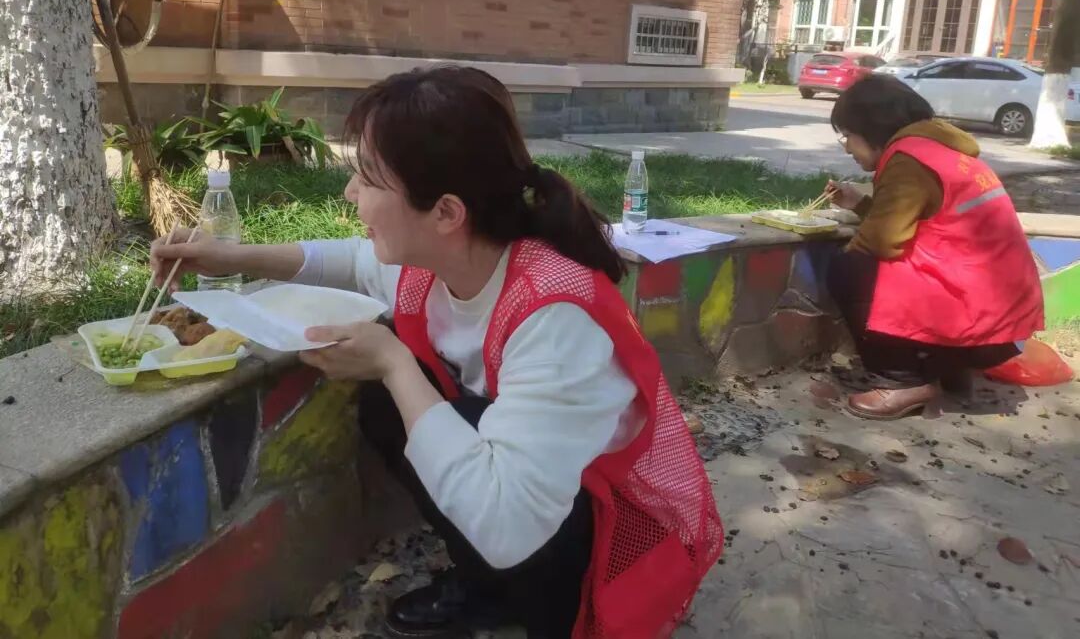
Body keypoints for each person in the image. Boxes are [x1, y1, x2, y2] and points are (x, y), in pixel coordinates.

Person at [151, 66, 723, 639]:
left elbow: (510, 526)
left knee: (408, 396)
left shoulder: (554, 315)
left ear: (447, 213)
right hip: (539, 486)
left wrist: (394, 363)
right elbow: (349, 260)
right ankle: (487, 589)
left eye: (368, 178)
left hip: (606, 512)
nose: (350, 193)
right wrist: (230, 257)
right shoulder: (444, 261)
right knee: (391, 405)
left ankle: (547, 610)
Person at [823, 74, 1044, 420]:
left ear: (871, 128)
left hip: (976, 313)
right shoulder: (942, 150)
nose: (847, 147)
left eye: (847, 135)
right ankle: (950, 370)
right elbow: (929, 224)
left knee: (850, 267)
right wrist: (860, 204)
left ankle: (900, 380)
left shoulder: (907, 158)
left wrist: (852, 258)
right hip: (1003, 315)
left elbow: (882, 240)